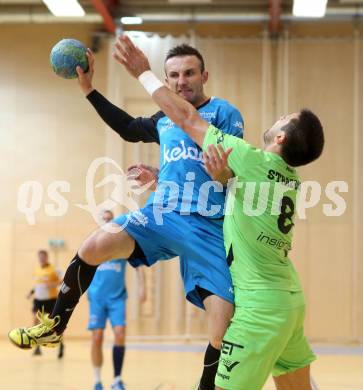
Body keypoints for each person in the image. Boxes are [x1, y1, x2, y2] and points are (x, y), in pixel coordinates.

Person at [8, 40, 244, 390]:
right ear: (167, 78)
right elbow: (129, 128)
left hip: (209, 229)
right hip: (162, 215)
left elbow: (232, 174)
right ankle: (54, 327)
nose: (182, 81)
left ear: (204, 75)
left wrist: (222, 174)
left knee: (223, 331)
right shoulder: (164, 119)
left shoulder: (224, 113)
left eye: (189, 73)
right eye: (174, 75)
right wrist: (89, 90)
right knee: (93, 245)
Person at [115, 34, 325, 389]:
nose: (278, 118)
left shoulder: (250, 160)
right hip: (288, 300)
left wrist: (144, 74)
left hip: (259, 309)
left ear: (281, 138)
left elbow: (186, 119)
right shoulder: (290, 178)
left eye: (285, 118)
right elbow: (231, 201)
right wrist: (166, 183)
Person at [88, 210, 146, 390]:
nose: (106, 221)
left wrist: (142, 288)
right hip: (97, 298)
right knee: (97, 338)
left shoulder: (120, 244)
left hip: (117, 298)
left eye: (109, 218)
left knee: (120, 334)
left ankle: (117, 379)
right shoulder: (92, 244)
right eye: (103, 218)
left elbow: (138, 266)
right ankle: (97, 380)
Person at [26, 249, 64, 358]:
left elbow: (63, 280)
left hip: (51, 300)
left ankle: (61, 345)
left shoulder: (54, 269)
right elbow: (38, 285)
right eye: (39, 257)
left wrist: (53, 284)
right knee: (35, 321)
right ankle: (37, 347)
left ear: (47, 257)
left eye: (43, 257)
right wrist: (31, 292)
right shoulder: (37, 269)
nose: (41, 258)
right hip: (38, 300)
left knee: (55, 325)